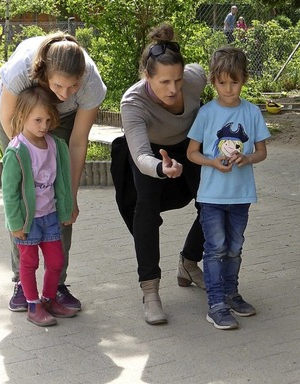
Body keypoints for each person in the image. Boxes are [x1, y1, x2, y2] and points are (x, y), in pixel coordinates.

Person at [0, 31, 107, 312]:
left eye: (72, 87)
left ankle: (55, 285)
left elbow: (79, 142)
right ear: (44, 72)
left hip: (63, 120)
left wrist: (70, 198)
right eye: (58, 85)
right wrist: (30, 159)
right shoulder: (22, 69)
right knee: (24, 199)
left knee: (59, 203)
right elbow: (11, 124)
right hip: (19, 117)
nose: (65, 93)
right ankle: (23, 281)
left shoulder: (90, 82)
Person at [120, 23, 207, 325]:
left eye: (178, 80)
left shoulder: (194, 79)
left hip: (191, 146)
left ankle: (189, 262)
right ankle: (151, 291)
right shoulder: (133, 102)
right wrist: (161, 167)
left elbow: (221, 78)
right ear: (147, 77)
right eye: (164, 82)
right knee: (145, 212)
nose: (173, 89)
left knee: (213, 203)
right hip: (152, 155)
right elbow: (141, 155)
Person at [186, 46, 270, 330]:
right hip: (210, 196)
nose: (228, 88)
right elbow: (191, 153)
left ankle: (232, 294)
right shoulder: (207, 113)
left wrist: (246, 158)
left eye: (234, 82)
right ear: (213, 82)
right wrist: (212, 162)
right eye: (222, 82)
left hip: (241, 195)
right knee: (216, 248)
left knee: (234, 247)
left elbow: (261, 152)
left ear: (243, 79)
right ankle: (216, 303)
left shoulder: (252, 112)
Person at [1, 86, 79, 326]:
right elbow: (9, 193)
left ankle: (49, 299)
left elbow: (63, 182)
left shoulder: (55, 145)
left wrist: (67, 209)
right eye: (37, 120)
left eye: (47, 120)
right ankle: (33, 305)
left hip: (51, 217)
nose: (43, 125)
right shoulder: (16, 150)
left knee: (56, 261)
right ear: (22, 116)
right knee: (29, 263)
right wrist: (15, 223)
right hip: (28, 220)